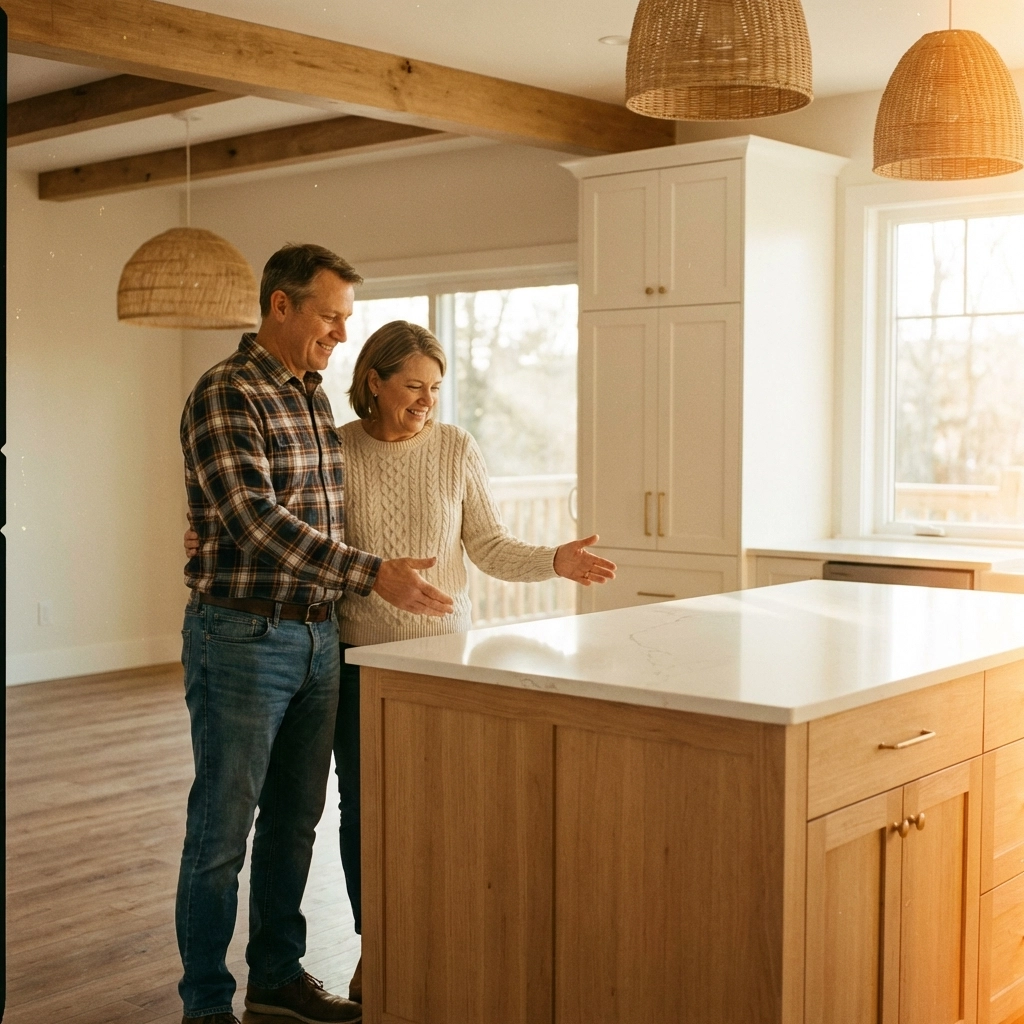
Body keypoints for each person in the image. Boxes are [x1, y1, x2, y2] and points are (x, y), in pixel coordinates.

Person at [190, 320, 615, 1004]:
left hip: (446, 660)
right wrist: (207, 530)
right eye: (413, 385)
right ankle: (378, 945)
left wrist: (553, 560)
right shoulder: (335, 449)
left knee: (443, 810)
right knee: (363, 810)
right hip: (355, 658)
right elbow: (292, 530)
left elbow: (489, 545)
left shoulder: (456, 448)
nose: (426, 400)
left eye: (436, 388)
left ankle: (438, 940)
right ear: (374, 382)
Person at [177, 247, 453, 1024]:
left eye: (346, 318)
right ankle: (205, 1005)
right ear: (279, 307)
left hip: (318, 638)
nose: (340, 332)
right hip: (241, 639)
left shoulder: (308, 396)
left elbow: (317, 517)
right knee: (222, 831)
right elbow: (254, 520)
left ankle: (275, 977)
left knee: (295, 822)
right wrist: (371, 573)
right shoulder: (227, 393)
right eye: (330, 315)